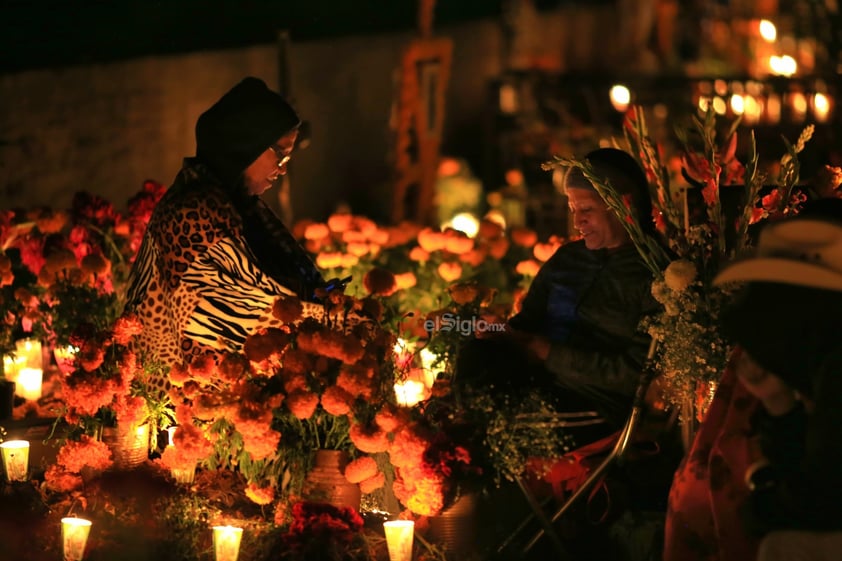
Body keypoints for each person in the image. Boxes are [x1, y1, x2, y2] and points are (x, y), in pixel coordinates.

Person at [124, 77, 345, 392]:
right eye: (279, 154)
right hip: (191, 402)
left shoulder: (236, 203)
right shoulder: (193, 211)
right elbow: (243, 311)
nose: (283, 168)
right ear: (246, 144)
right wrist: (339, 322)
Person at [664, 197, 842, 561]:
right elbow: (808, 468)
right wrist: (778, 404)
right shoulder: (817, 356)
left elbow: (817, 499)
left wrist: (760, 506)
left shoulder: (833, 361)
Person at [471, 147, 662, 431]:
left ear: (624, 203)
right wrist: (498, 331)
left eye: (587, 209)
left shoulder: (656, 275)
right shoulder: (568, 259)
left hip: (593, 405)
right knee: (471, 364)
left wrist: (549, 352)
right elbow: (526, 323)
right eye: (573, 210)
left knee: (483, 425)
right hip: (537, 384)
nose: (577, 222)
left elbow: (634, 375)